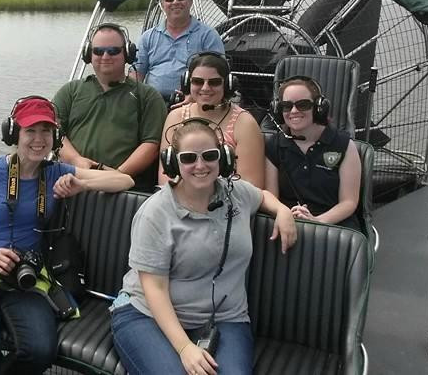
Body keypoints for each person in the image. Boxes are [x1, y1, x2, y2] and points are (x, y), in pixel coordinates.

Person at [0, 96, 133, 374]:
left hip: (25, 277)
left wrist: (81, 185)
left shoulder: (55, 172)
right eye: (30, 131)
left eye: (46, 131)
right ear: (13, 133)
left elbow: (124, 181)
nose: (39, 139)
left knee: (41, 350)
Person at [110, 119, 296, 375]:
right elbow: (154, 288)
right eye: (188, 158)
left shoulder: (237, 194)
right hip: (148, 314)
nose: (200, 165)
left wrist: (282, 210)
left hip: (225, 317)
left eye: (209, 155)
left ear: (224, 158)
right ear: (173, 163)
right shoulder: (155, 213)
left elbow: (262, 196)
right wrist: (185, 348)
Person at [54, 23, 166, 191]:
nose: (105, 56)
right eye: (98, 51)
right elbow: (54, 132)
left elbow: (151, 144)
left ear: (127, 53)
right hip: (70, 181)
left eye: (113, 51)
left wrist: (115, 175)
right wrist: (75, 160)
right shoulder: (70, 91)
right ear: (88, 54)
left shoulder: (148, 96)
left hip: (124, 188)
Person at [264, 76, 362, 231]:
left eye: (303, 105)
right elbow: (271, 197)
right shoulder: (273, 146)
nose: (294, 111)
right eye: (286, 106)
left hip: (333, 225)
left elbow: (348, 202)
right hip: (287, 223)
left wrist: (317, 221)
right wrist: (286, 215)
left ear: (319, 108)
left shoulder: (343, 144)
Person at [159, 52, 265, 188]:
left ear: (227, 85)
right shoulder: (175, 117)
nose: (205, 88)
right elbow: (165, 178)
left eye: (214, 82)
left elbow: (251, 186)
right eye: (198, 81)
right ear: (187, 83)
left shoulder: (245, 123)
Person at [133, 0, 226, 104]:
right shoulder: (147, 37)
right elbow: (137, 73)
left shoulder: (208, 36)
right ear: (162, 4)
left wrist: (194, 97)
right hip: (152, 103)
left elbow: (219, 75)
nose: (175, 2)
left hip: (194, 103)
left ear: (190, 2)